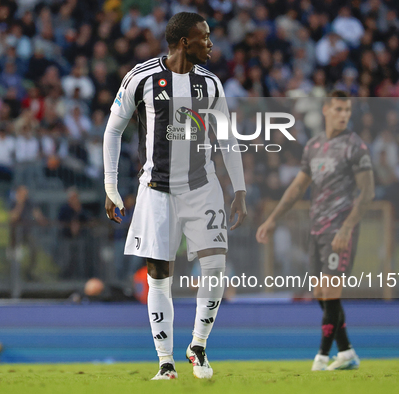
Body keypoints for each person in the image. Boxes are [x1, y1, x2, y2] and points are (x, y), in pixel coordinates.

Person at [103, 12, 247, 380]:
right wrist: (110, 185)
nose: (211, 43)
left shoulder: (211, 84)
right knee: (158, 275)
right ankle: (165, 362)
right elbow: (113, 130)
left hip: (203, 187)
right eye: (205, 37)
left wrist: (240, 190)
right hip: (157, 192)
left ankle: (197, 346)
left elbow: (227, 140)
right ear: (185, 42)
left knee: (215, 268)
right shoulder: (142, 77)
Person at [256, 90, 375, 371]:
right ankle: (345, 352)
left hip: (340, 229)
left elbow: (367, 192)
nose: (344, 115)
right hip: (317, 229)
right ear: (325, 110)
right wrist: (273, 218)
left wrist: (347, 228)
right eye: (338, 110)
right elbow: (298, 186)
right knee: (321, 293)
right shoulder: (313, 146)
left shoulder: (354, 146)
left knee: (332, 292)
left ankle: (321, 357)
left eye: (347, 110)